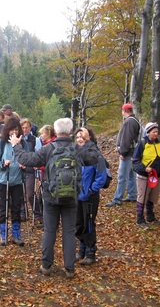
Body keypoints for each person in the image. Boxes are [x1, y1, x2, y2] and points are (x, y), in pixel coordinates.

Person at [10, 118, 99, 279]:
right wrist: (88, 140)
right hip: (71, 197)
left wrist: (16, 145)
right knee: (68, 232)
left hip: (50, 196)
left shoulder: (48, 149)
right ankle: (69, 268)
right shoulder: (77, 149)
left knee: (50, 231)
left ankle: (46, 266)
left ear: (56, 132)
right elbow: (93, 158)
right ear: (71, 132)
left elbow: (27, 160)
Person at [0, 117, 28, 246]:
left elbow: (28, 158)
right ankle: (3, 235)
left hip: (18, 181)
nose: (14, 132)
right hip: (3, 180)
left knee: (17, 207)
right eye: (11, 129)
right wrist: (2, 164)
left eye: (16, 129)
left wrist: (25, 165)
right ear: (7, 130)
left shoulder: (23, 144)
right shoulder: (0, 144)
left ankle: (16, 234)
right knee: (3, 208)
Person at [74, 127, 108, 265]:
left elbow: (101, 176)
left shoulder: (95, 155)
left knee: (88, 224)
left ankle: (90, 251)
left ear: (88, 138)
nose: (79, 139)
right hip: (77, 195)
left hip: (90, 196)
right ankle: (81, 248)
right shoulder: (76, 154)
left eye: (82, 137)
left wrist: (91, 190)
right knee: (78, 223)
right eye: (77, 137)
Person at [132, 122, 160, 228]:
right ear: (148, 132)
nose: (156, 134)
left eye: (157, 132)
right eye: (153, 132)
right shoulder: (142, 143)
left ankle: (150, 216)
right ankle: (140, 218)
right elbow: (135, 161)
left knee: (152, 197)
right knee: (142, 196)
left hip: (157, 175)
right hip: (144, 176)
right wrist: (145, 168)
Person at [106, 103, 141, 207]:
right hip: (133, 152)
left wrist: (123, 152)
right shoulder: (134, 120)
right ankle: (132, 195)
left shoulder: (129, 122)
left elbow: (126, 138)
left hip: (128, 153)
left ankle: (117, 198)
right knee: (131, 175)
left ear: (124, 111)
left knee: (122, 177)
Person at [20, 118, 41, 222]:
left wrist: (35, 164)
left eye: (26, 127)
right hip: (19, 169)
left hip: (30, 169)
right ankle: (23, 212)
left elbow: (38, 154)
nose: (24, 129)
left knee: (30, 193)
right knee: (20, 193)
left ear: (30, 128)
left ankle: (37, 213)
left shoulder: (35, 139)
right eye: (23, 127)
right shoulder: (17, 139)